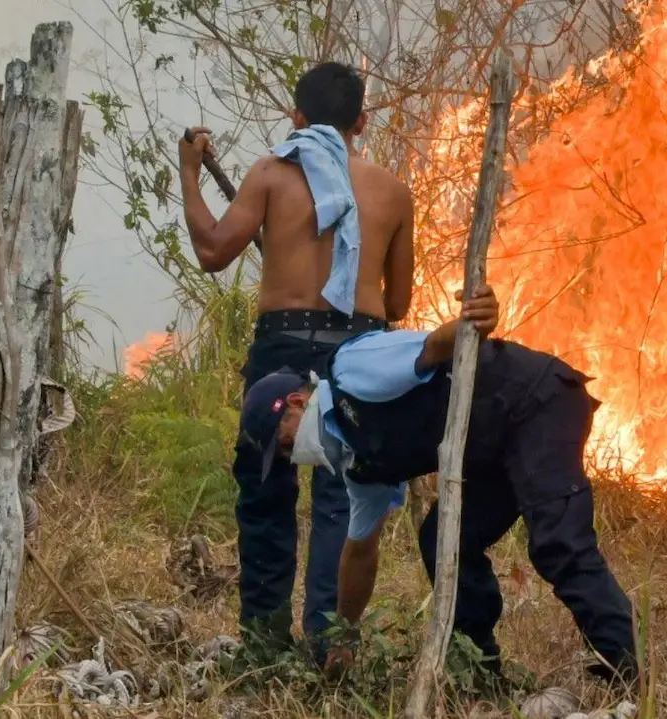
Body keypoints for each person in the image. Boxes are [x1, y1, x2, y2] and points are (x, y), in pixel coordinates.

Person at [235, 284, 639, 688]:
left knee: (557, 543)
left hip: (534, 403)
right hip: (491, 447)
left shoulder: (350, 369)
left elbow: (431, 349)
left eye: (285, 443)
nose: (292, 455)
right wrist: (344, 637)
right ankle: (481, 673)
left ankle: (628, 671)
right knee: (444, 538)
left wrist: (474, 321)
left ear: (295, 403)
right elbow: (359, 551)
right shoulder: (357, 462)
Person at [177, 61, 417, 664]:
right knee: (342, 494)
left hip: (282, 347)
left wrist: (188, 173)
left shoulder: (271, 175)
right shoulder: (392, 191)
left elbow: (212, 252)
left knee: (264, 487)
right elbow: (397, 303)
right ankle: (329, 646)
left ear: (297, 117)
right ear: (362, 121)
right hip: (358, 352)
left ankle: (262, 644)